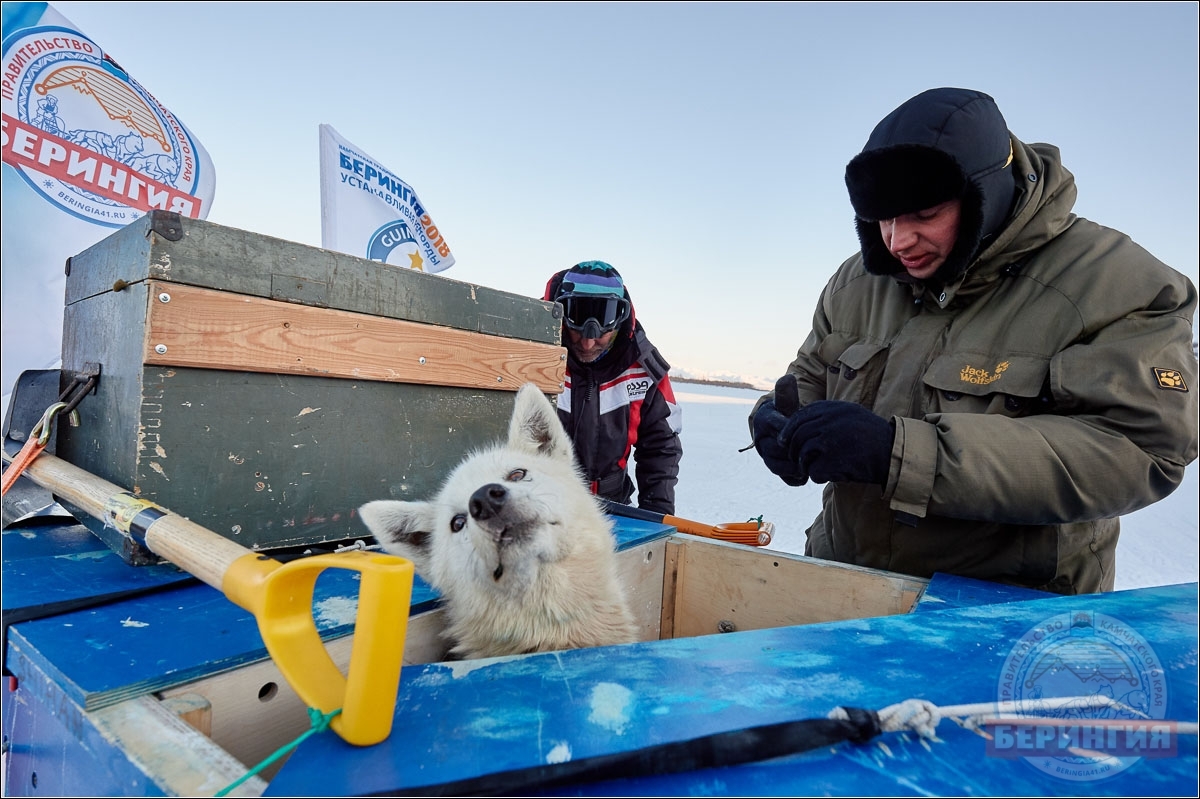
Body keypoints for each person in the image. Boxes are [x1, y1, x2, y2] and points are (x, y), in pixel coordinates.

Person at [749, 87, 1198, 595]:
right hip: (846, 587)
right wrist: (781, 416)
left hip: (1005, 617)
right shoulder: (857, 283)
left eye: (923, 215)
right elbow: (811, 372)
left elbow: (1138, 449)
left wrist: (901, 453)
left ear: (987, 194)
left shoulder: (1113, 283)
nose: (897, 241)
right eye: (885, 218)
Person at [544, 261, 682, 515]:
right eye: (576, 328)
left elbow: (662, 446)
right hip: (541, 504)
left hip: (612, 509)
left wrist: (656, 514)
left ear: (619, 320)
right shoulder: (533, 356)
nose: (587, 343)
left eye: (601, 332)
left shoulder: (644, 368)